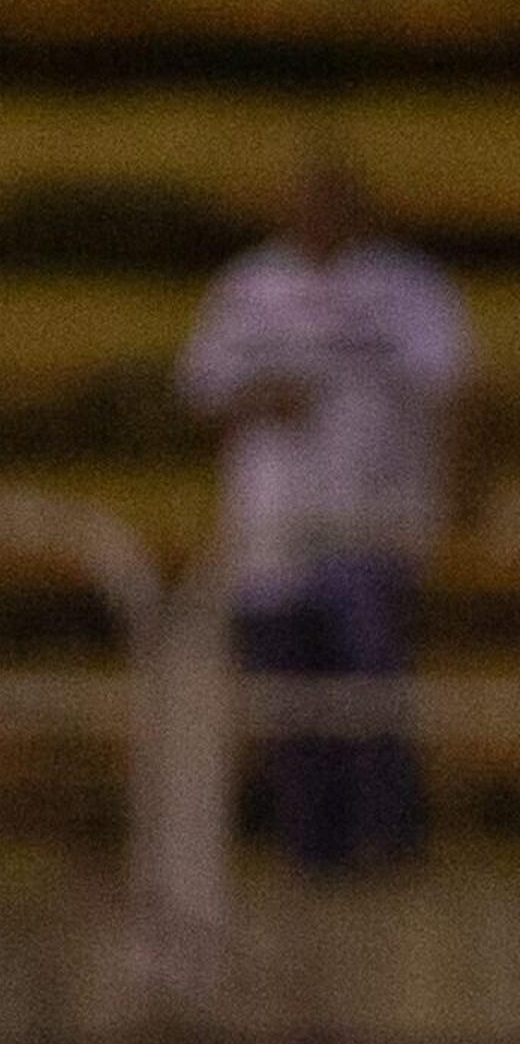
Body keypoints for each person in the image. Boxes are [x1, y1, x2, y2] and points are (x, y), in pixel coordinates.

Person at [179, 152, 473, 872]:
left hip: (369, 523)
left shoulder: (406, 288)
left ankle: (387, 841)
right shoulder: (248, 287)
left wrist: (457, 493)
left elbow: (455, 388)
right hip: (270, 533)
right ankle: (312, 850)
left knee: (367, 686)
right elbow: (198, 392)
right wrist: (262, 398)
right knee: (290, 697)